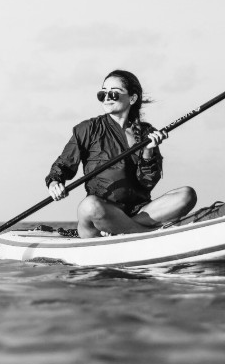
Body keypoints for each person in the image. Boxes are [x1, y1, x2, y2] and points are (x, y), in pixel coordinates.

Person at [46, 69, 197, 238]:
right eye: (103, 94)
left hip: (139, 212)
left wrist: (148, 150)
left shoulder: (147, 133)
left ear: (132, 98)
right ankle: (147, 234)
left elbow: (147, 184)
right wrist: (55, 183)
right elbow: (62, 165)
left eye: (114, 94)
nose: (107, 98)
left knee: (187, 194)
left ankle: (121, 229)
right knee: (89, 206)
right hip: (100, 215)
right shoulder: (87, 129)